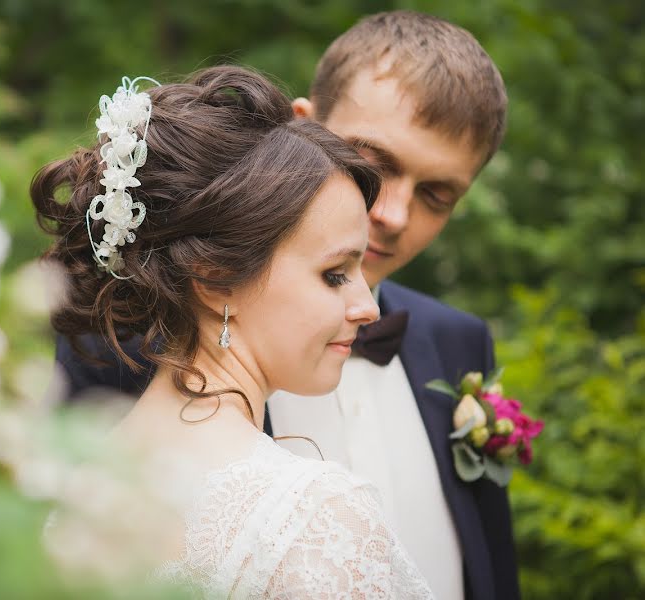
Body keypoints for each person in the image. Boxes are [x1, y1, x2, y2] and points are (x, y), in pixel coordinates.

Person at [54, 11, 519, 600]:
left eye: (437, 194)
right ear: (303, 130)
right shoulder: (115, 346)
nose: (395, 214)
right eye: (377, 164)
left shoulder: (458, 345)